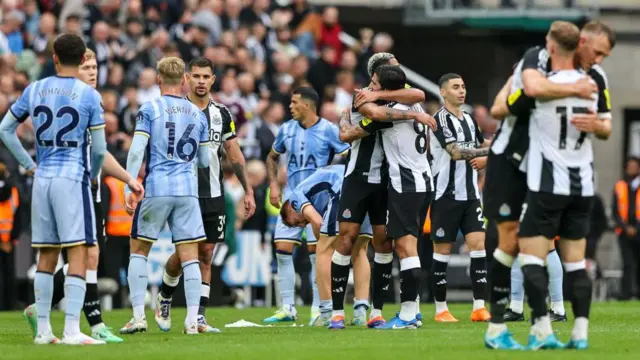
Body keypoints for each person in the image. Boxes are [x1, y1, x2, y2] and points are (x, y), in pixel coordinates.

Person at [483, 20, 614, 349]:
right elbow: (502, 106)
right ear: (580, 42)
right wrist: (572, 91)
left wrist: (594, 119)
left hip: (544, 168)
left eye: (605, 55)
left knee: (541, 245)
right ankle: (498, 327)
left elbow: (605, 125)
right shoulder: (536, 61)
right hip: (511, 161)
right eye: (596, 51)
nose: (598, 59)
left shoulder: (593, 77)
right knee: (511, 241)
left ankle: (543, 322)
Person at [22, 48, 144, 344]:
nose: (92, 71)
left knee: (87, 253)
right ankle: (91, 322)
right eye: (86, 66)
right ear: (74, 68)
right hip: (77, 184)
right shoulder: (82, 100)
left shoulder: (90, 101)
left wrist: (128, 178)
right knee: (83, 253)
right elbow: (97, 153)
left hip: (84, 186)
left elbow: (99, 155)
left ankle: (44, 312)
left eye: (95, 67)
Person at [0, 34, 107, 345]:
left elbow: (5, 129)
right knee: (78, 252)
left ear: (55, 58)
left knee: (47, 255)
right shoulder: (88, 95)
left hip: (43, 178)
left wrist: (28, 163)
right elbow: (98, 149)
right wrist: (93, 175)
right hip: (73, 177)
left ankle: (44, 330)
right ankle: (72, 329)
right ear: (81, 59)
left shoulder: (35, 89)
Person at [155, 57, 256, 333]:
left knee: (207, 253)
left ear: (213, 80)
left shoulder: (221, 113)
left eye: (206, 77)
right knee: (184, 251)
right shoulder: (175, 109)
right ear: (187, 78)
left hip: (213, 192)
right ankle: (165, 293)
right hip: (182, 191)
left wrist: (248, 190)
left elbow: (234, 154)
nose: (200, 81)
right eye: (196, 76)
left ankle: (198, 318)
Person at [332, 65, 435, 329]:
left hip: (406, 183)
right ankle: (408, 313)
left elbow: (372, 113)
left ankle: (409, 315)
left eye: (375, 84)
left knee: (404, 248)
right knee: (406, 246)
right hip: (423, 181)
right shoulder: (414, 107)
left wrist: (357, 107)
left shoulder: (393, 111)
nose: (370, 87)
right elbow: (417, 96)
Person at [118, 56, 211, 335]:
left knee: (139, 249)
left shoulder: (150, 108)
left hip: (157, 187)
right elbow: (205, 160)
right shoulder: (197, 113)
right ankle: (192, 321)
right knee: (190, 256)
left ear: (159, 79)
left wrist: (128, 185)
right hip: (187, 191)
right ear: (184, 80)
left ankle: (138, 317)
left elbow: (136, 151)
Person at [264, 87, 349, 324]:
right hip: (292, 199)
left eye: (294, 102)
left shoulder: (328, 130)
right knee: (282, 249)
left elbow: (347, 154)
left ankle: (316, 307)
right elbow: (271, 156)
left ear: (307, 105)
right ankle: (287, 307)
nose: (289, 106)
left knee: (316, 254)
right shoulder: (286, 129)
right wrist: (273, 186)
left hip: (319, 201)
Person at [429, 73, 491, 323]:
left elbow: (480, 143)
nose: (461, 91)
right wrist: (491, 150)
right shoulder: (439, 120)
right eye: (455, 87)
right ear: (443, 92)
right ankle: (441, 309)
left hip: (471, 195)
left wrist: (495, 147)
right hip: (445, 195)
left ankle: (479, 307)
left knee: (478, 246)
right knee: (441, 252)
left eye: (463, 86)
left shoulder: (469, 119)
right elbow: (455, 153)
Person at [278, 164, 371, 327]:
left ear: (290, 209)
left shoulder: (295, 198)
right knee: (360, 250)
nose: (302, 225)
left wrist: (321, 238)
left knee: (323, 249)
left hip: (342, 188)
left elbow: (316, 220)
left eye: (298, 222)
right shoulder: (316, 188)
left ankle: (328, 312)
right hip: (366, 184)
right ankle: (360, 312)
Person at [613, 157, 640, 300]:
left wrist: (636, 228)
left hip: (639, 231)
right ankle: (626, 293)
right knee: (627, 263)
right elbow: (615, 211)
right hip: (624, 232)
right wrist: (625, 227)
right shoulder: (620, 186)